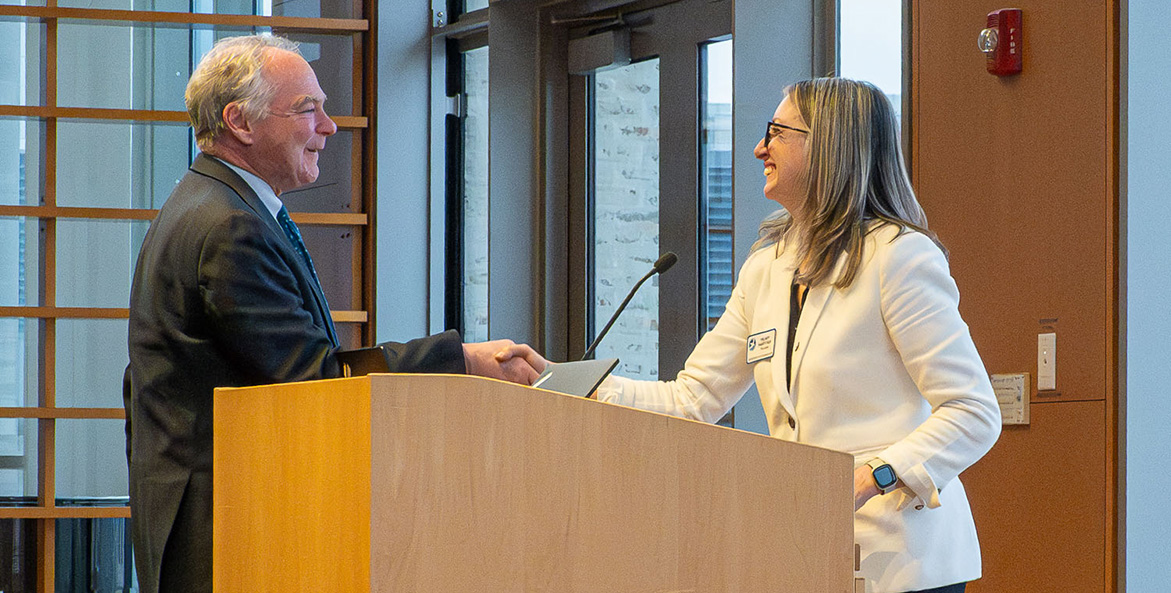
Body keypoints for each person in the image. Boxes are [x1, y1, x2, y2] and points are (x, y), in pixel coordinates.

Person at [124, 34, 546, 593]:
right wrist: (460, 359)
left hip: (224, 515)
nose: (329, 126)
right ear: (240, 122)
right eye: (308, 109)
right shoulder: (229, 227)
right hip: (225, 529)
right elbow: (313, 380)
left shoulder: (216, 203)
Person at [591, 78, 1001, 593]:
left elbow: (975, 411)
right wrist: (577, 387)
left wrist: (875, 474)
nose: (760, 147)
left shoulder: (898, 258)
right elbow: (692, 398)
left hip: (903, 563)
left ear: (830, 143)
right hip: (807, 553)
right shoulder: (767, 268)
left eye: (777, 132)